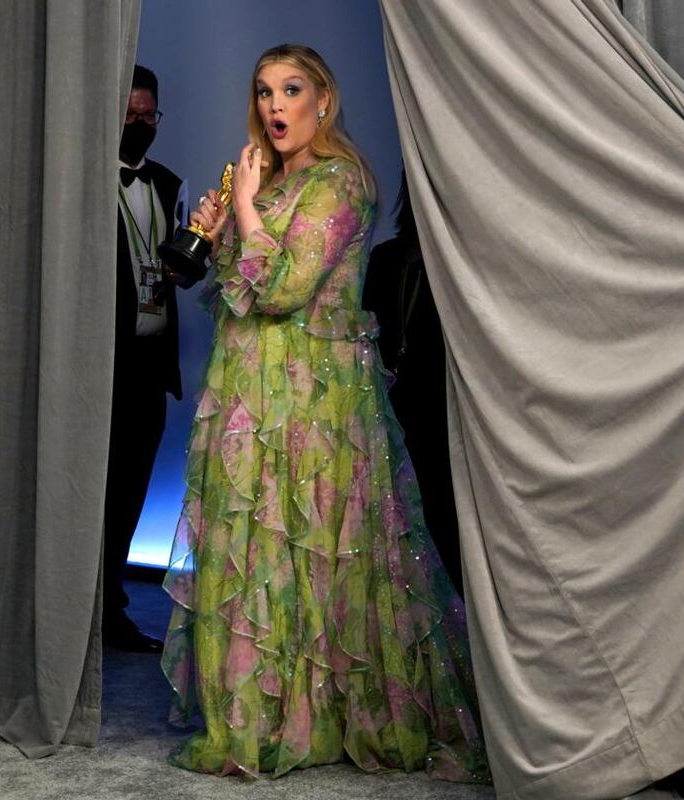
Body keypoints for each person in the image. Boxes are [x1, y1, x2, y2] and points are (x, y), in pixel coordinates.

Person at [161, 44, 489, 781]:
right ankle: (263, 716)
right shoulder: (274, 183)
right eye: (264, 92)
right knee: (252, 550)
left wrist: (246, 210)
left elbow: (282, 290)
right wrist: (219, 232)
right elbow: (232, 293)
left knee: (312, 551)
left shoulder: (342, 185)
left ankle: (330, 712)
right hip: (249, 393)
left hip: (314, 400)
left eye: (291, 89)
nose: (275, 106)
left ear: (324, 101)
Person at [104, 64, 188, 652]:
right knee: (94, 489)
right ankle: (79, 611)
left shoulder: (167, 181)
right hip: (99, 361)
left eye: (148, 115)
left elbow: (186, 258)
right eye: (130, 115)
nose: (141, 124)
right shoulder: (84, 183)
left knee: (132, 488)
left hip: (149, 362)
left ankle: (112, 609)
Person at [362, 172, 464, 595]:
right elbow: (365, 335)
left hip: (442, 421)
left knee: (441, 525)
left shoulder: (463, 269)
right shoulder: (387, 259)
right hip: (389, 414)